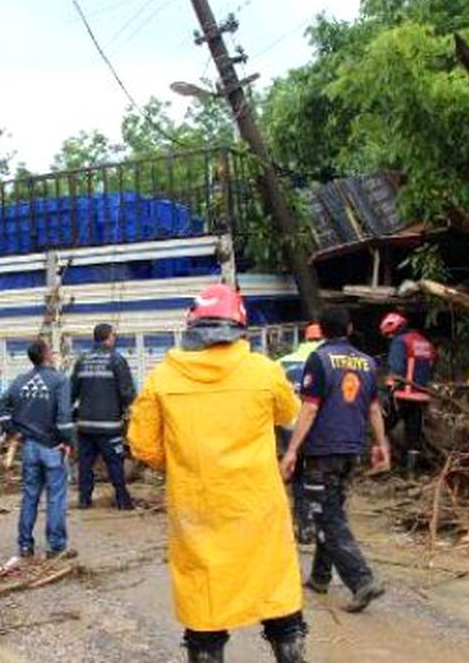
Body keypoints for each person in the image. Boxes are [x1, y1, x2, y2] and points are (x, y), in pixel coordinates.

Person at [129, 283, 307, 663]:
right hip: (257, 506)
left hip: (198, 508)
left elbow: (143, 446)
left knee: (204, 600)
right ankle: (290, 651)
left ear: (192, 327)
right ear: (239, 327)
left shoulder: (163, 378)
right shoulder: (265, 371)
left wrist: (183, 464)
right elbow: (288, 413)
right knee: (275, 588)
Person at [281, 305, 391, 614]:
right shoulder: (368, 362)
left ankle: (362, 579)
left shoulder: (320, 359)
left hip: (322, 450)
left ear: (322, 331)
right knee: (331, 510)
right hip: (351, 450)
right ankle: (320, 577)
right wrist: (381, 444)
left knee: (325, 515)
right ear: (350, 328)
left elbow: (310, 407)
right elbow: (373, 409)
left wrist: (291, 450)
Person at [0, 338, 77, 560]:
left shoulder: (21, 381)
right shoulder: (60, 381)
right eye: (51, 350)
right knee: (56, 498)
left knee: (30, 497)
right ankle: (57, 547)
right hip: (52, 447)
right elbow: (64, 417)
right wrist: (69, 442)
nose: (54, 353)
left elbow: (1, 406)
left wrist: (12, 430)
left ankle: (25, 546)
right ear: (46, 355)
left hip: (29, 447)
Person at [70, 322, 136, 510]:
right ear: (108, 338)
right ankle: (123, 501)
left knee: (85, 465)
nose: (115, 338)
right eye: (114, 335)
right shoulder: (117, 360)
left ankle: (84, 501)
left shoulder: (81, 360)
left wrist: (68, 417)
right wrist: (131, 410)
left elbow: (71, 392)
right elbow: (127, 392)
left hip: (85, 426)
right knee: (115, 463)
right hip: (109, 426)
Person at [276, 322, 324, 544]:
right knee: (317, 474)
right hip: (316, 425)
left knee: (296, 473)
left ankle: (303, 526)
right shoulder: (324, 360)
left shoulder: (281, 363)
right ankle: (318, 525)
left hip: (288, 425)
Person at [379, 312, 436, 472]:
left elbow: (396, 370)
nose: (389, 338)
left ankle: (383, 462)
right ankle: (411, 471)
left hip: (402, 395)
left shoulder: (400, 342)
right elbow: (432, 364)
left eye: (389, 335)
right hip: (421, 395)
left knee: (380, 426)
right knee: (413, 433)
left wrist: (386, 391)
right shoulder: (423, 341)